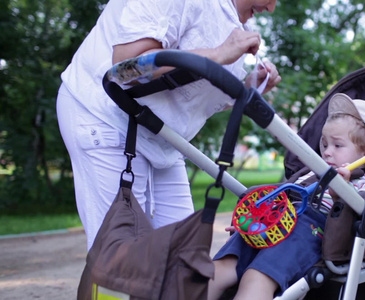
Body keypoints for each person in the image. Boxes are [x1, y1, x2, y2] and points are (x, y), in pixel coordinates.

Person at [56, 0, 281, 250]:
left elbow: (188, 94)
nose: (272, 8)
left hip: (163, 138)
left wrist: (248, 86)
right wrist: (217, 54)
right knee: (124, 257)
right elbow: (125, 69)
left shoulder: (234, 19)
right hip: (108, 118)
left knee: (182, 255)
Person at [208, 93, 365, 300]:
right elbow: (280, 198)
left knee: (257, 277)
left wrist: (343, 192)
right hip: (275, 221)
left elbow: (358, 220)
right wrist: (253, 221)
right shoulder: (309, 173)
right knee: (220, 268)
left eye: (337, 145)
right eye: (324, 144)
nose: (327, 152)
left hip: (310, 230)